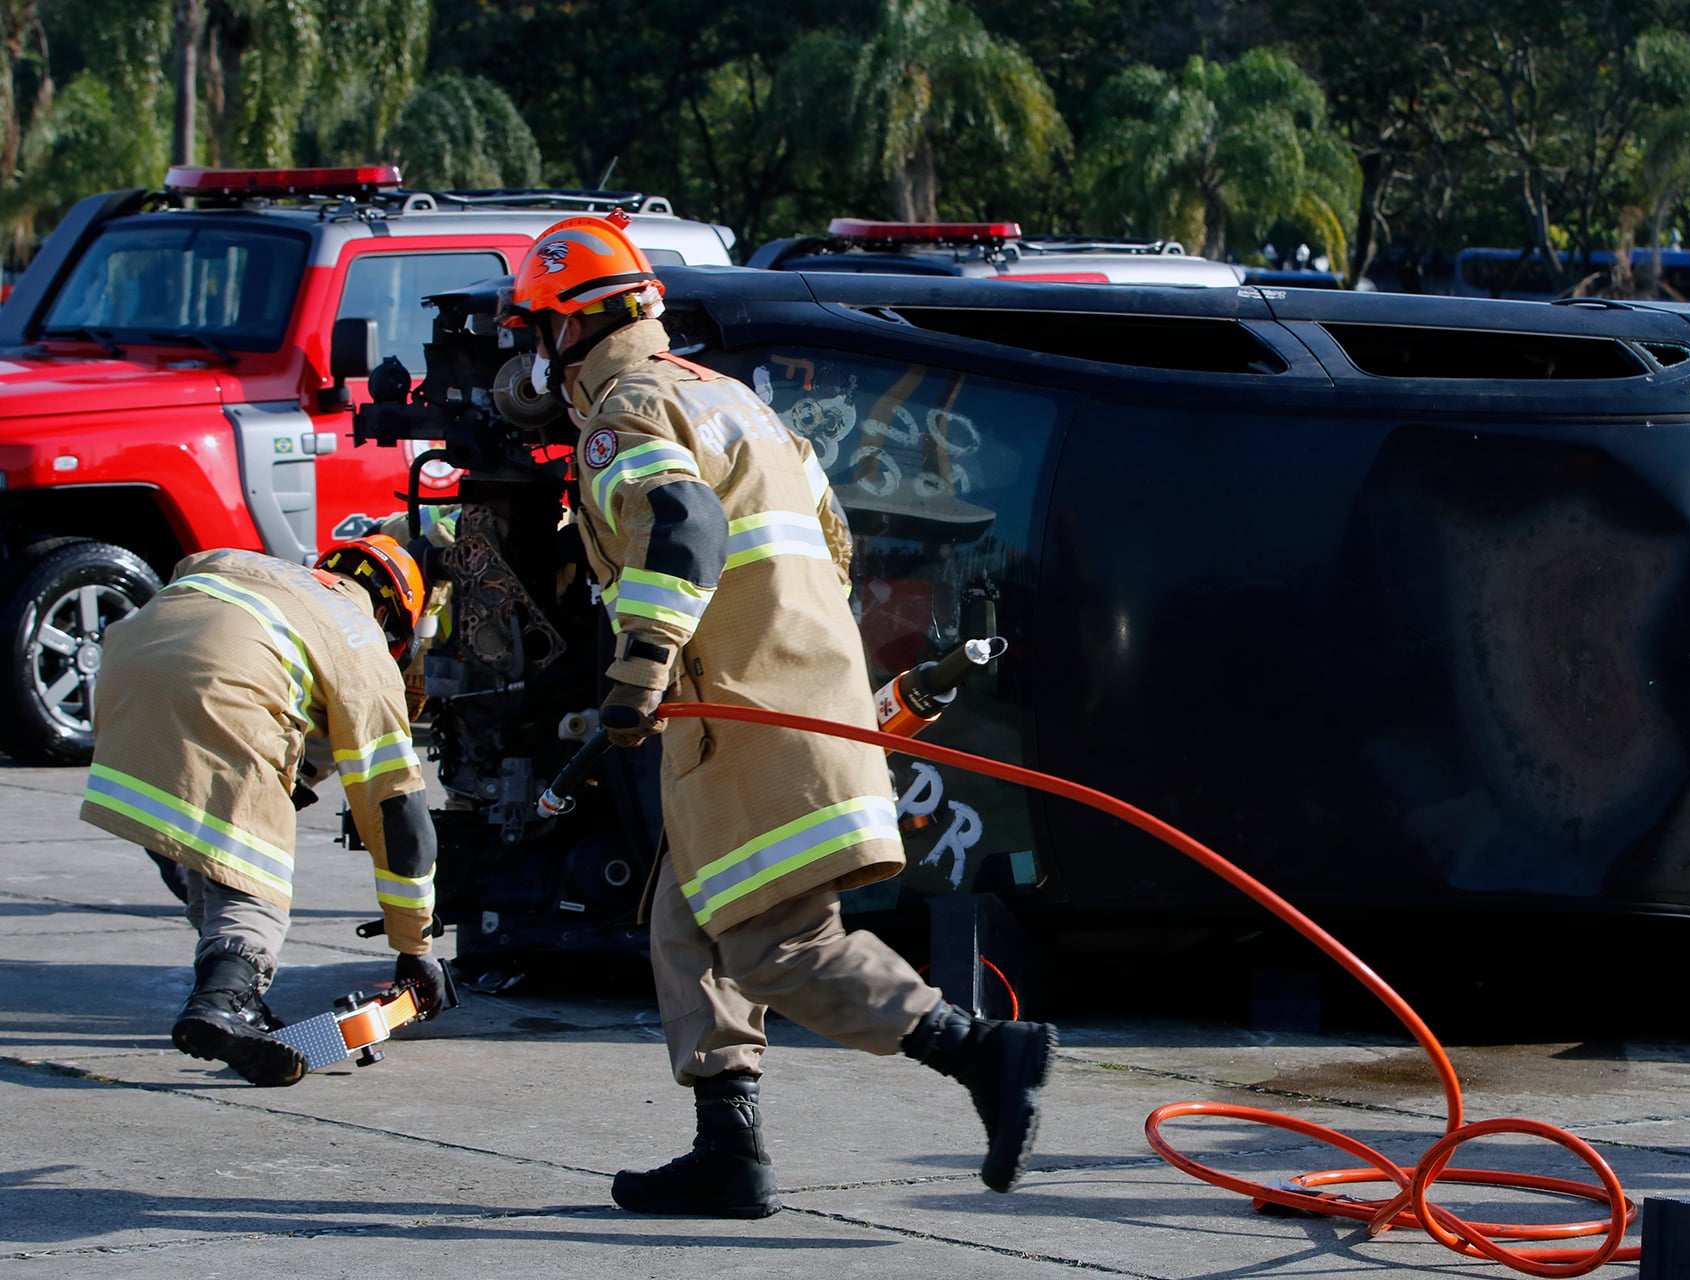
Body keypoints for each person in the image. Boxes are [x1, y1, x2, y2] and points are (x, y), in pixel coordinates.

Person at [505, 214, 1056, 1217]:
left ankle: (985, 1052)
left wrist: (641, 665)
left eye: (532, 334)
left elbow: (685, 526)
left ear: (565, 331)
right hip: (775, 707)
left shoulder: (624, 412)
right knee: (686, 917)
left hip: (745, 716)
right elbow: (832, 554)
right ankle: (730, 1150)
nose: (528, 361)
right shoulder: (737, 405)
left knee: (775, 944)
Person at [78, 538, 448, 1087]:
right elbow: (397, 809)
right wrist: (415, 943)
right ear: (395, 620)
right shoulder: (361, 641)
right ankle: (222, 1003)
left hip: (122, 680)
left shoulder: (244, 563)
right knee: (254, 887)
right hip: (220, 701)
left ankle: (233, 990)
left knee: (211, 854)